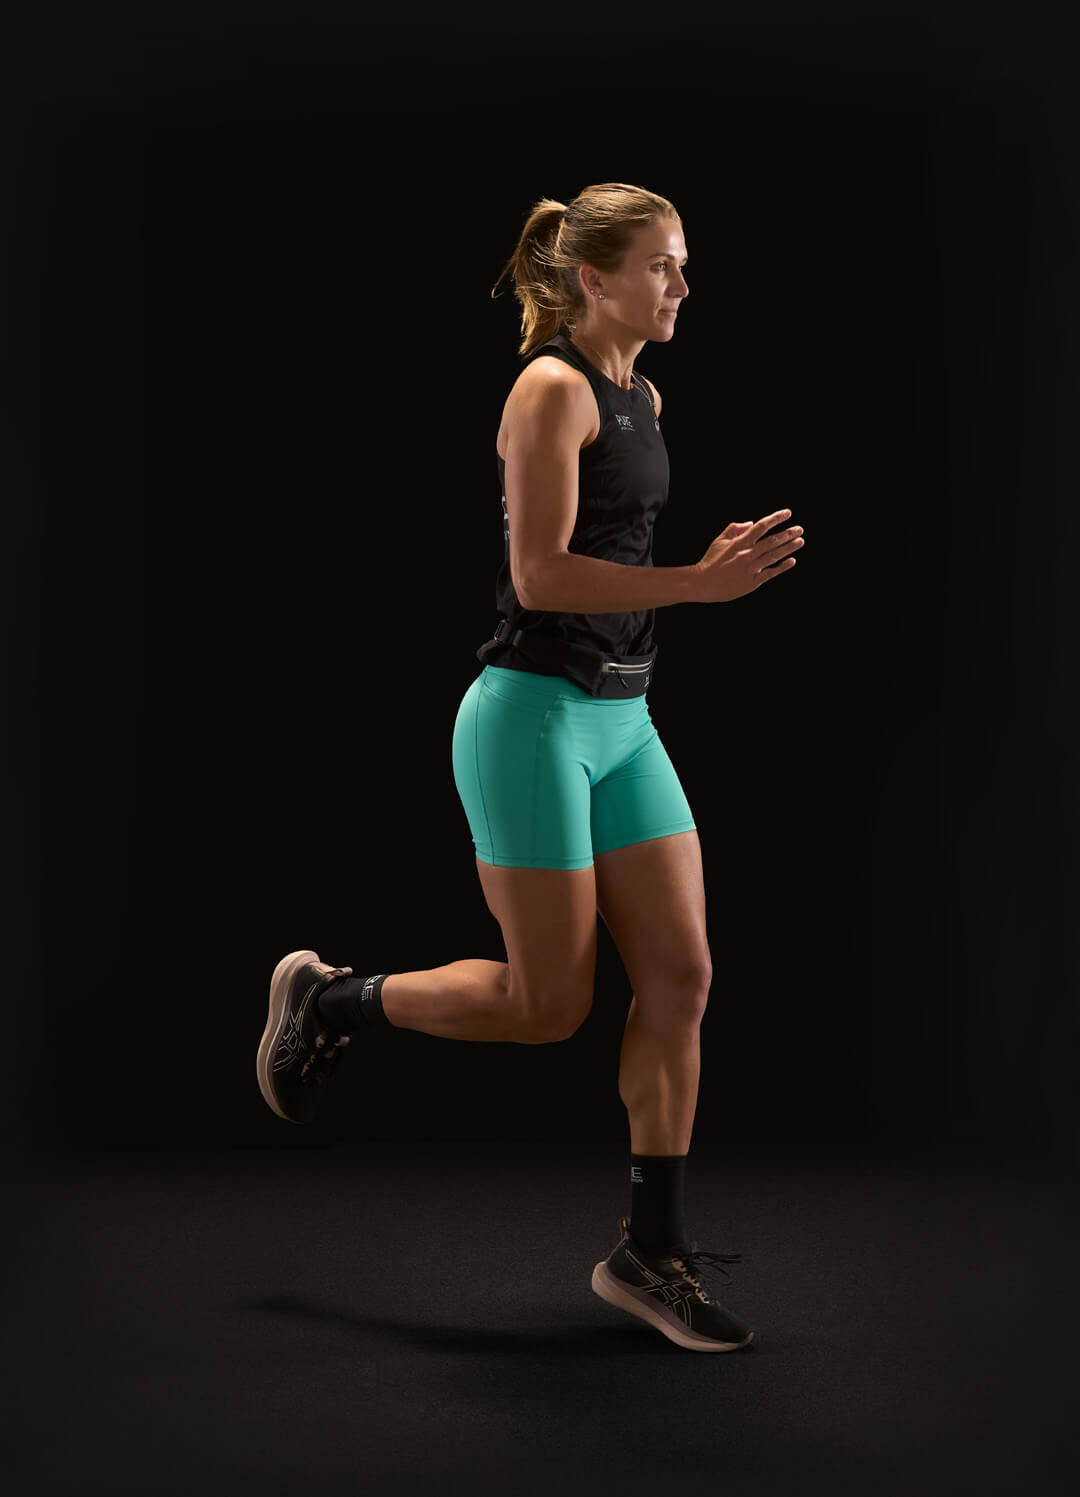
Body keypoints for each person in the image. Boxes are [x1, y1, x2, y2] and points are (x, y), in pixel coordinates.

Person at [256, 182, 805, 1352]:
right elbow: (545, 576)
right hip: (529, 721)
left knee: (682, 980)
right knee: (547, 1005)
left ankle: (647, 1253)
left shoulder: (642, 394)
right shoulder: (549, 389)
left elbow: (615, 566)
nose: (683, 286)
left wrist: (687, 593)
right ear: (596, 278)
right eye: (663, 266)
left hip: (625, 722)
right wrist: (701, 588)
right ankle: (332, 997)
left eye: (684, 264)